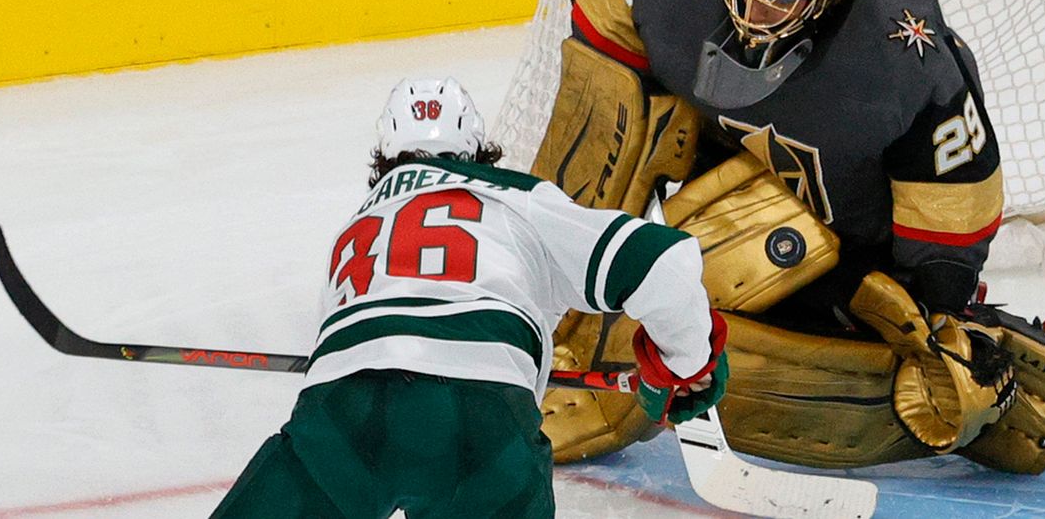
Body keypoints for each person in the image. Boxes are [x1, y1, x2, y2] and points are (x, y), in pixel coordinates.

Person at [530, 0, 1045, 475]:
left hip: (847, 242)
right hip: (723, 177)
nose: (753, 13)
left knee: (857, 374)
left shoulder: (899, 57)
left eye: (776, 0)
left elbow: (958, 203)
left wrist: (938, 309)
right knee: (645, 171)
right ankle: (557, 306)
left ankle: (977, 372)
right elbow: (606, 20)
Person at [212, 77, 729, 518]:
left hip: (345, 409)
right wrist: (685, 361)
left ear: (383, 163)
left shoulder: (357, 225)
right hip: (481, 418)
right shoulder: (514, 197)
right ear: (479, 154)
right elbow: (663, 262)